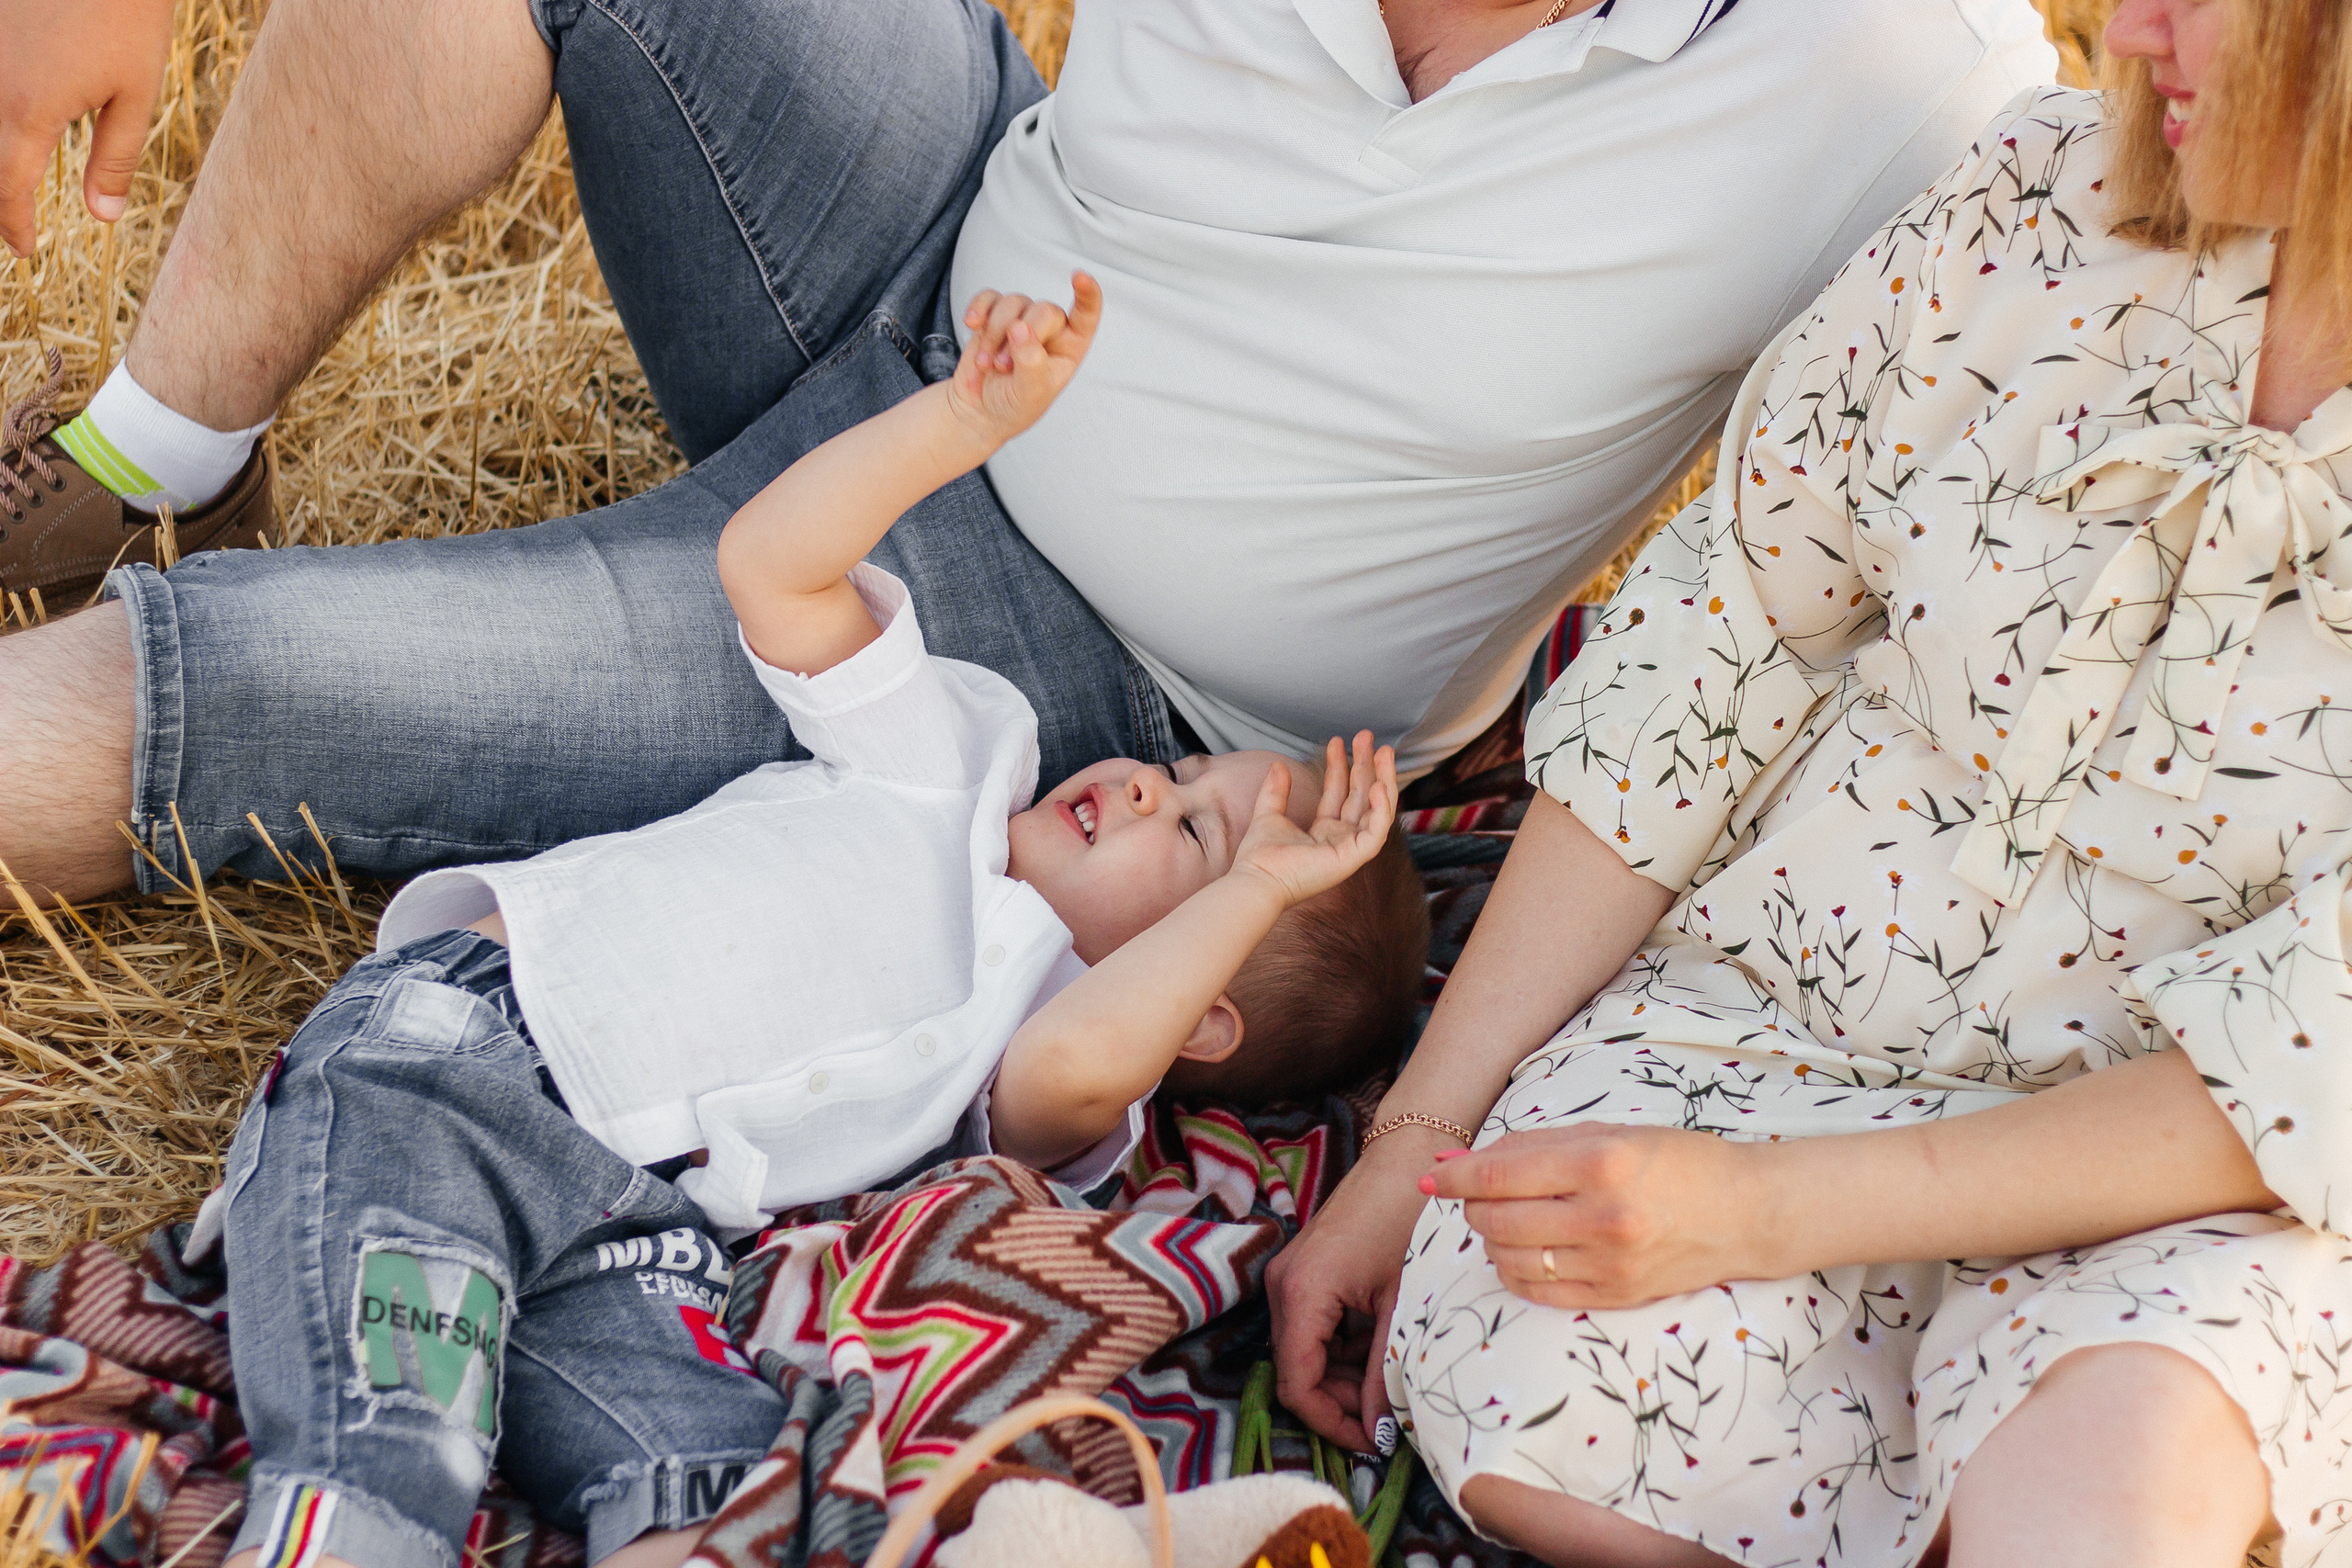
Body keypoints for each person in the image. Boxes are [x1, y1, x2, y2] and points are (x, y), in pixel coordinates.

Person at [0, 0, 2055, 911]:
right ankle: (154, 450)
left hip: (1069, 649)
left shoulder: (1907, 79)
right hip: (958, 246)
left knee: (212, 700)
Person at [1266, 0, 2352, 1562]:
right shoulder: (2031, 199)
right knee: (1523, 1367)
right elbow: (1714, 655)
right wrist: (1418, 1140)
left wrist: (1758, 1216)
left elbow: (2305, 1067)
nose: (2119, 24)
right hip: (1780, 1043)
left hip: (2209, 1192)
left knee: (2120, 1474)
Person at [210, 274, 1415, 1568]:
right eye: (1177, 775)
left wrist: (1262, 891)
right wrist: (961, 423)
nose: (1138, 780)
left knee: (710, 1467)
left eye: (1188, 830)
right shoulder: (949, 767)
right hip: (465, 1063)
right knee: (402, 1396)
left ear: (1207, 1004)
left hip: (635, 1219)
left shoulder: (1058, 1049)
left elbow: (1078, 1064)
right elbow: (771, 567)